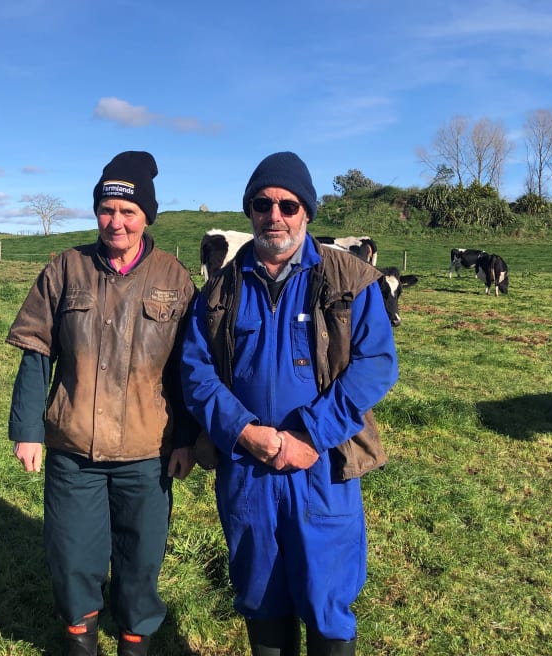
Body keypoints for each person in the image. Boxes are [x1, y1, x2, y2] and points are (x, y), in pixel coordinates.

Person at [179, 151, 399, 656]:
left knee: (328, 601)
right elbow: (196, 372)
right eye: (262, 203)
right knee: (261, 597)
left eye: (288, 204)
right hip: (247, 469)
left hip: (322, 467)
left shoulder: (349, 280)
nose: (274, 215)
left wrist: (309, 435)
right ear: (250, 211)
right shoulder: (220, 290)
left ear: (307, 213)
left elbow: (376, 365)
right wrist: (244, 432)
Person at [6, 151, 196, 656]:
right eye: (107, 210)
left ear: (147, 216)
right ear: (96, 213)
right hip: (73, 451)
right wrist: (28, 428)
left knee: (141, 561)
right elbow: (35, 352)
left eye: (128, 212)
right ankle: (80, 642)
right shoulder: (66, 269)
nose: (117, 222)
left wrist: (186, 440)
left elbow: (186, 370)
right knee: (72, 558)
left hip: (147, 451)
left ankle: (135, 643)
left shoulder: (175, 279)